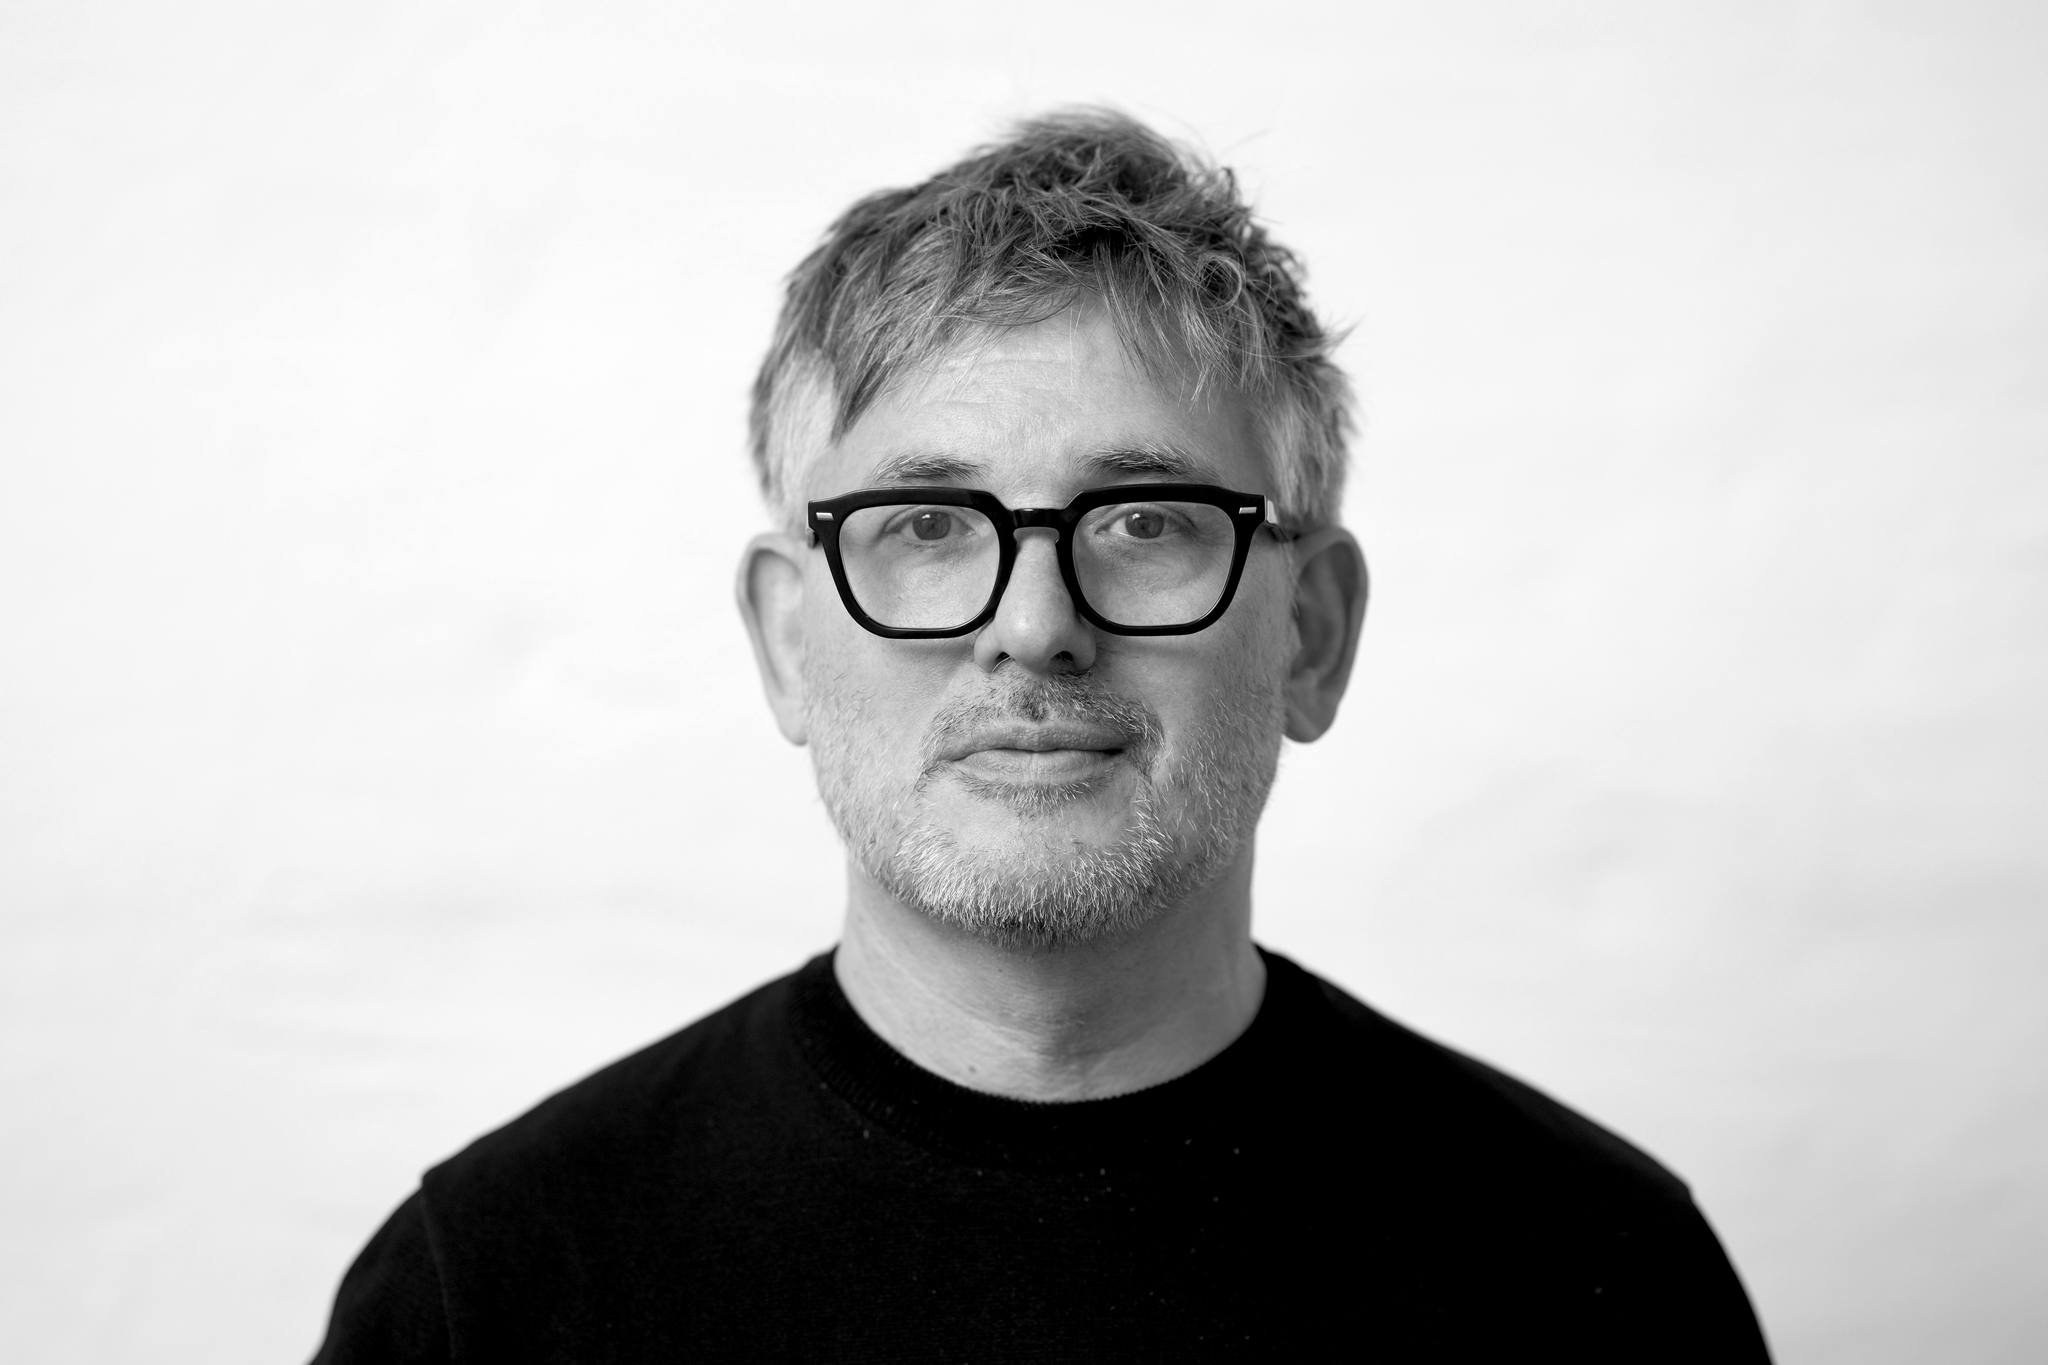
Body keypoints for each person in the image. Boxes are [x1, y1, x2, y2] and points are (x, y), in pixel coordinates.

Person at [312, 109, 1771, 1362]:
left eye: (1144, 520)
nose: (1033, 624)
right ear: (788, 641)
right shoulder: (487, 1295)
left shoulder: (1601, 1280)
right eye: (925, 525)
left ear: (1313, 633)